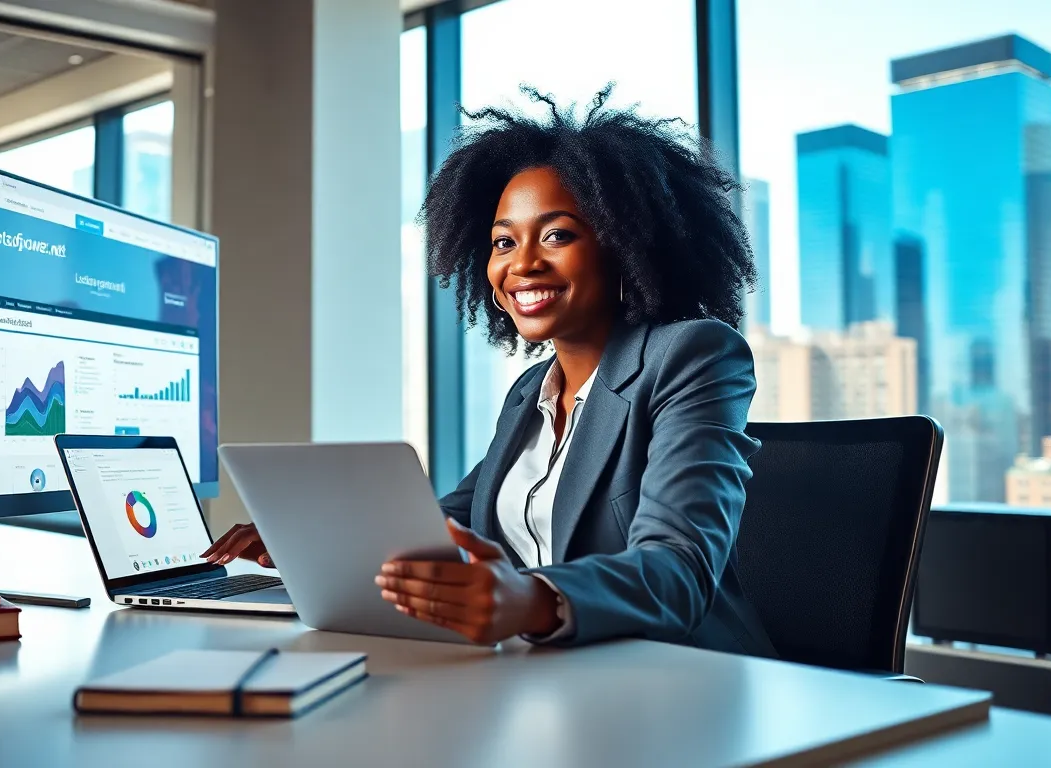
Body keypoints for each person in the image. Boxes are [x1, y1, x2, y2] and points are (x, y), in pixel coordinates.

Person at [204, 85, 775, 657]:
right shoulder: (532, 392)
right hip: (562, 676)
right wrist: (316, 541)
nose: (522, 263)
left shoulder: (693, 356)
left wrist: (534, 600)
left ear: (625, 246)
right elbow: (460, 522)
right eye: (504, 241)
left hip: (689, 676)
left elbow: (679, 569)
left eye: (557, 235)